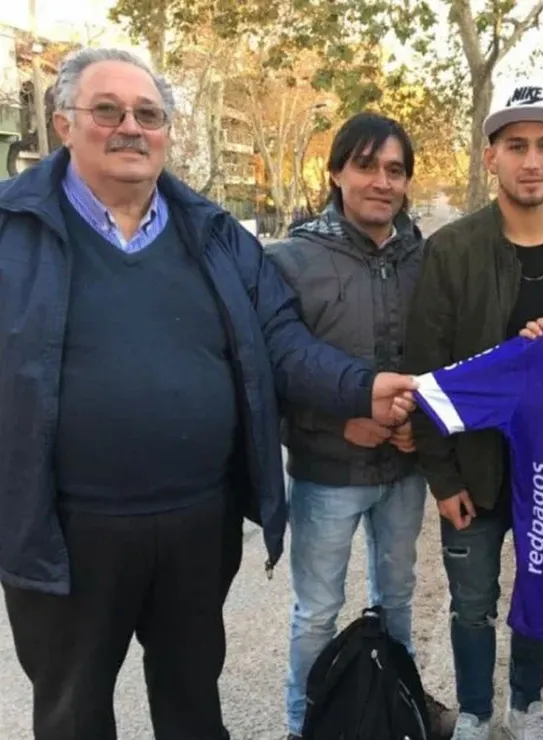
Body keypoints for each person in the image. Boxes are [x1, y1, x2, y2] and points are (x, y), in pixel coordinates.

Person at [0, 48, 415, 740]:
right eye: (109, 111)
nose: (131, 127)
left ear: (167, 131)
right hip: (65, 532)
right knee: (73, 711)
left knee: (193, 700)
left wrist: (361, 388)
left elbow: (283, 341)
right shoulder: (12, 233)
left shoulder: (215, 234)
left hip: (198, 522)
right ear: (64, 122)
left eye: (148, 114)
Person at [403, 82, 543, 740]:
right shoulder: (453, 251)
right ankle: (473, 713)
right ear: (490, 157)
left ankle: (526, 706)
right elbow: (428, 371)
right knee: (472, 605)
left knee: (540, 595)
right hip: (475, 467)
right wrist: (443, 478)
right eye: (515, 145)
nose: (531, 160)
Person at [267, 112, 455, 740]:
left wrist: (418, 428)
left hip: (403, 474)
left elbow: (440, 357)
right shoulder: (292, 259)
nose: (382, 181)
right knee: (316, 613)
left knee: (397, 600)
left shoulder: (424, 258)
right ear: (337, 170)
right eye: (367, 165)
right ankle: (303, 724)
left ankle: (396, 711)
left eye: (395, 170)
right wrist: (337, 427)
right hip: (328, 476)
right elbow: (276, 368)